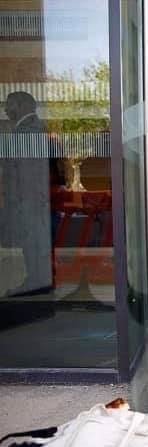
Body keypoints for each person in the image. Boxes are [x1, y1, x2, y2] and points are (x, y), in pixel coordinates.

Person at [0, 91, 54, 297]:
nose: (5, 109)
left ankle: (36, 283)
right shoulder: (31, 129)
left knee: (33, 243)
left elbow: (25, 173)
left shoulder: (28, 132)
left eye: (8, 104)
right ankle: (36, 281)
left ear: (21, 106)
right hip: (30, 200)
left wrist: (19, 201)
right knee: (31, 243)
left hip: (28, 201)